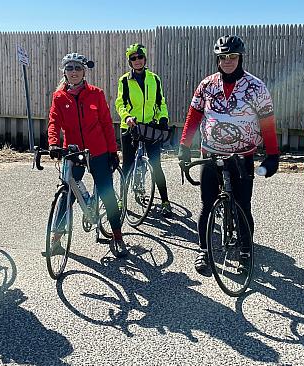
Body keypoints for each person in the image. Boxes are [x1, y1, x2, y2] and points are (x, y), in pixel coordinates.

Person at [178, 35, 280, 275]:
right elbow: (194, 116)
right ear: (217, 59)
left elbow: (267, 122)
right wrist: (185, 146)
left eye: (232, 56)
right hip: (211, 153)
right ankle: (204, 251)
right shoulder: (207, 85)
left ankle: (246, 252)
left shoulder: (256, 86)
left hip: (242, 154)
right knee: (206, 206)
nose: (228, 61)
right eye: (223, 57)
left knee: (244, 205)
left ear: (240, 57)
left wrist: (273, 153)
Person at [47, 52, 128, 258]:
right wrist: (54, 143)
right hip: (73, 152)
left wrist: (112, 151)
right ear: (64, 72)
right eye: (69, 68)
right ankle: (56, 241)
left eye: (77, 68)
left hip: (98, 151)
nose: (73, 72)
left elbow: (106, 124)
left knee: (107, 192)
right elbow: (54, 122)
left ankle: (117, 236)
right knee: (67, 192)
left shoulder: (96, 94)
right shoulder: (59, 97)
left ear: (84, 71)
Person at [115, 43, 173, 217]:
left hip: (149, 127)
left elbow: (160, 102)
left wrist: (163, 118)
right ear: (130, 62)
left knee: (156, 165)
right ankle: (121, 201)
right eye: (133, 58)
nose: (137, 61)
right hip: (130, 127)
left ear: (145, 59)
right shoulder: (124, 80)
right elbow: (120, 103)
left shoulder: (154, 78)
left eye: (140, 57)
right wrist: (126, 117)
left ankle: (165, 201)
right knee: (127, 165)